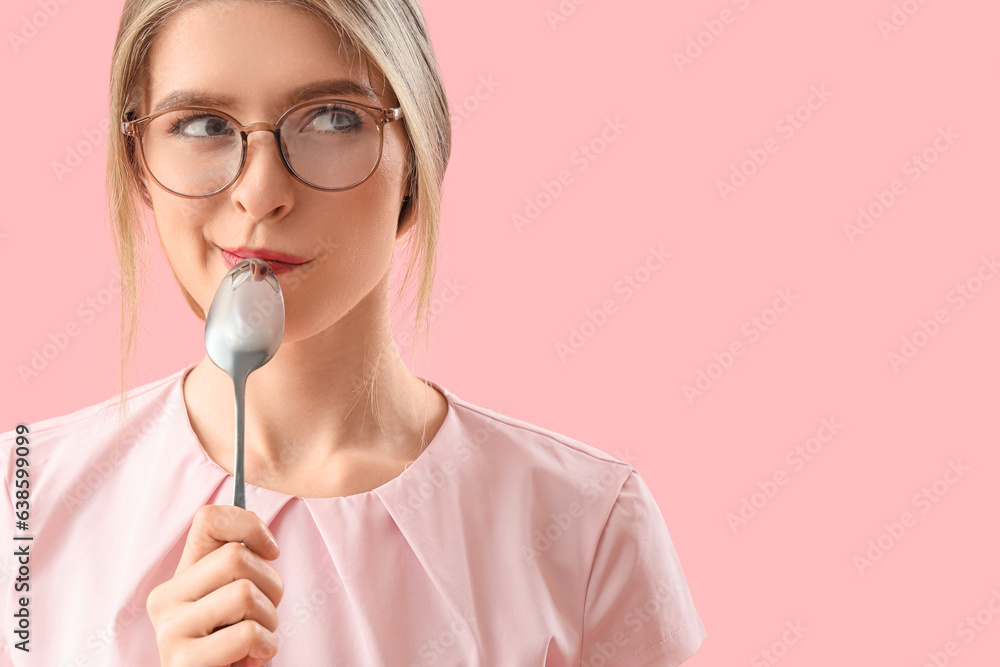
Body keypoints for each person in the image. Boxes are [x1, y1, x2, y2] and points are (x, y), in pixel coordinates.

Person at [0, 0, 707, 665]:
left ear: (416, 160)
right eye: (203, 124)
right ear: (139, 165)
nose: (260, 190)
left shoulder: (588, 526)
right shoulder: (19, 498)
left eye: (332, 117)